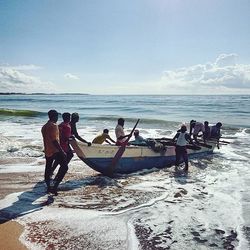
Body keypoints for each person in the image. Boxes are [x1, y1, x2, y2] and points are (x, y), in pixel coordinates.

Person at [41, 110, 69, 195]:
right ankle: (55, 186)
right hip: (55, 150)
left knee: (48, 168)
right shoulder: (53, 126)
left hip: (47, 150)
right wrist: (62, 151)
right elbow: (55, 141)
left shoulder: (44, 126)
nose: (57, 118)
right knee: (64, 167)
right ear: (54, 116)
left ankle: (49, 187)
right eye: (57, 116)